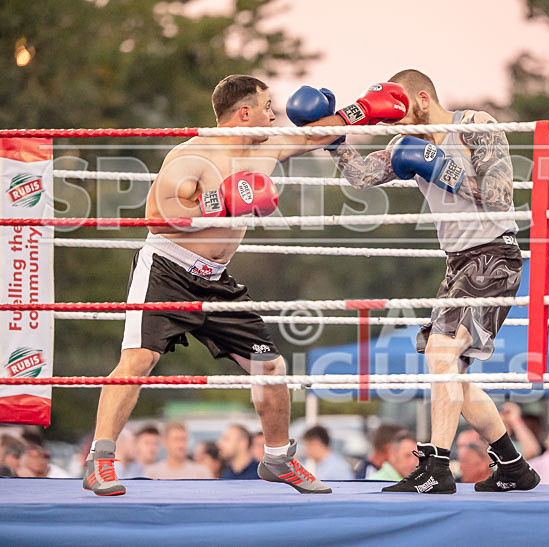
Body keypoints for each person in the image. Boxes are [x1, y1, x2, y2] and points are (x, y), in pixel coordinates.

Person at [81, 74, 403, 496]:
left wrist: (363, 110)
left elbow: (314, 136)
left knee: (270, 367)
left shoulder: (267, 147)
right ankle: (100, 461)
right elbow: (158, 217)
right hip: (167, 270)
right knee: (139, 360)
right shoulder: (192, 155)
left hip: (216, 280)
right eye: (268, 107)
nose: (274, 115)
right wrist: (222, 202)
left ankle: (277, 459)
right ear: (244, 112)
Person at [289, 69, 539, 494]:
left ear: (422, 99)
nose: (396, 126)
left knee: (441, 353)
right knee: (453, 377)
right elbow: (361, 176)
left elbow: (500, 196)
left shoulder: (474, 125)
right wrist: (335, 139)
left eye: (400, 115)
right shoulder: (407, 143)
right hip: (457, 264)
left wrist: (442, 169)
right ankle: (515, 468)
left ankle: (437, 467)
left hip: (493, 255)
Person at [143, 422, 212, 480]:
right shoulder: (152, 474)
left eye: (184, 439)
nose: (181, 445)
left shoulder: (201, 473)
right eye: (176, 439)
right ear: (165, 442)